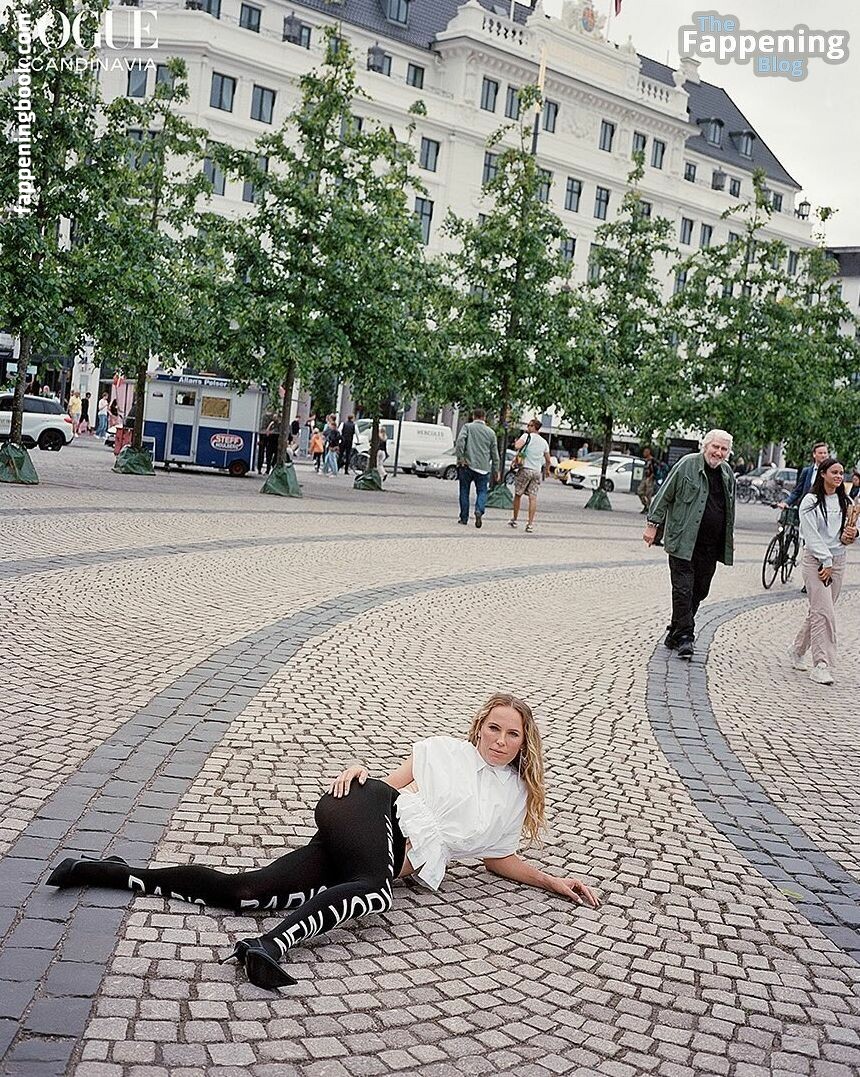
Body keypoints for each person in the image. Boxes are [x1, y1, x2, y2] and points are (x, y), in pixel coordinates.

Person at [45, 693, 600, 991]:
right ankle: (268, 948)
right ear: (478, 726)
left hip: (363, 853)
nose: (499, 740)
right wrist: (360, 769)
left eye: (512, 733)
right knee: (376, 892)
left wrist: (552, 881)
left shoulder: (512, 797)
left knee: (244, 892)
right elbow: (386, 789)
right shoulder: (442, 751)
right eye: (493, 728)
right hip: (363, 812)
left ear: (524, 742)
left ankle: (105, 871)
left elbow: (499, 857)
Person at [643, 430, 735, 660]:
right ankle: (686, 636)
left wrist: (729, 539)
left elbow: (729, 509)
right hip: (683, 541)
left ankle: (675, 631)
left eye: (724, 449)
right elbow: (665, 494)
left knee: (700, 590)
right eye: (715, 447)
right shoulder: (687, 464)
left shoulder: (727, 473)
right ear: (705, 446)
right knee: (683, 589)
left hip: (711, 546)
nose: (718, 452)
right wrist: (652, 525)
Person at [789, 458, 857, 684]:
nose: (839, 477)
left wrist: (854, 534)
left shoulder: (845, 500)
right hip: (816, 561)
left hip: (838, 560)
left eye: (841, 473)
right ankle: (821, 664)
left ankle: (797, 649)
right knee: (824, 612)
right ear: (823, 474)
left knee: (819, 611)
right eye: (834, 472)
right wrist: (825, 561)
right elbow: (811, 535)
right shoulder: (810, 501)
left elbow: (852, 528)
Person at [455, 408, 501, 529]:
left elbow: (460, 442)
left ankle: (464, 518)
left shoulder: (467, 427)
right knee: (482, 491)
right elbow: (495, 453)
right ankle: (479, 510)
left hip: (467, 465)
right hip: (483, 467)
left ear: (473, 416)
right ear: (484, 417)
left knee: (464, 491)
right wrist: (496, 470)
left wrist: (461, 458)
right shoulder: (491, 433)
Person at [508, 419, 551, 534]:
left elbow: (517, 446)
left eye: (529, 425)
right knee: (533, 498)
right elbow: (548, 459)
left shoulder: (526, 436)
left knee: (518, 494)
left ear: (534, 427)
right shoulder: (544, 442)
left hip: (525, 469)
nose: (527, 427)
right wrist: (547, 470)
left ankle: (515, 519)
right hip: (537, 472)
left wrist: (518, 440)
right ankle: (530, 524)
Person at [779, 441, 830, 510]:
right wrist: (786, 502)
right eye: (820, 453)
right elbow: (797, 491)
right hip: (806, 508)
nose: (823, 455)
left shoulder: (831, 472)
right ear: (814, 454)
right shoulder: (807, 471)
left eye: (825, 453)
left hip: (824, 508)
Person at [638, 447, 656, 514]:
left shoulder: (652, 460)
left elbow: (654, 470)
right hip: (645, 477)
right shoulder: (646, 460)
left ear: (648, 452)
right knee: (640, 491)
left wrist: (650, 478)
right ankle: (645, 505)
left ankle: (648, 508)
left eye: (645, 452)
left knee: (648, 494)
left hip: (650, 478)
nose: (644, 453)